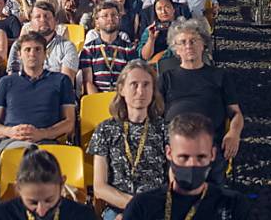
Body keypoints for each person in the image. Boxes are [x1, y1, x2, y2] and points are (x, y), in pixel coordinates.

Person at [159, 18, 243, 184]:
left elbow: (236, 113)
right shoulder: (165, 79)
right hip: (175, 143)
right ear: (176, 49)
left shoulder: (220, 76)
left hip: (209, 143)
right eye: (182, 42)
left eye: (193, 41)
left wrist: (234, 133)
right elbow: (155, 112)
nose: (188, 46)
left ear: (203, 44)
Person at [122, 113, 250, 220]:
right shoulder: (142, 206)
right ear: (169, 153)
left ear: (212, 154)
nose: (192, 164)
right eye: (184, 157)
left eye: (200, 157)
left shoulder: (233, 205)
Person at [88, 60, 169, 220]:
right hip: (117, 209)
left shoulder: (165, 129)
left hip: (156, 210)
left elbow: (173, 180)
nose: (141, 91)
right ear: (121, 89)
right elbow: (99, 187)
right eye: (134, 84)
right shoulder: (105, 129)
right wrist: (136, 207)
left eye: (146, 85)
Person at [0, 32, 76, 174]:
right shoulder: (6, 82)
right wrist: (10, 131)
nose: (32, 54)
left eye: (37, 49)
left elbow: (69, 123)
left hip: (47, 142)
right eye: (27, 49)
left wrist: (43, 133)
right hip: (12, 141)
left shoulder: (61, 80)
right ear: (19, 54)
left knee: (43, 165)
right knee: (17, 162)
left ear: (45, 54)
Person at [0, 145, 97, 220]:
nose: (41, 211)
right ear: (18, 188)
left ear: (62, 184)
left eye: (49, 200)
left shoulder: (82, 216)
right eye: (33, 202)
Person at [6, 2, 78, 83]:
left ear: (55, 21)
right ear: (30, 22)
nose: (43, 20)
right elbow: (12, 80)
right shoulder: (19, 45)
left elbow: (66, 83)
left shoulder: (67, 47)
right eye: (38, 17)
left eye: (47, 16)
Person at [80, 0, 138, 94]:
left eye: (114, 15)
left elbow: (131, 79)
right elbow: (88, 82)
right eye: (105, 16)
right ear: (97, 21)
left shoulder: (129, 49)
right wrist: (100, 101)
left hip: (122, 96)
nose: (110, 19)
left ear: (119, 19)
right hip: (97, 98)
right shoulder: (88, 50)